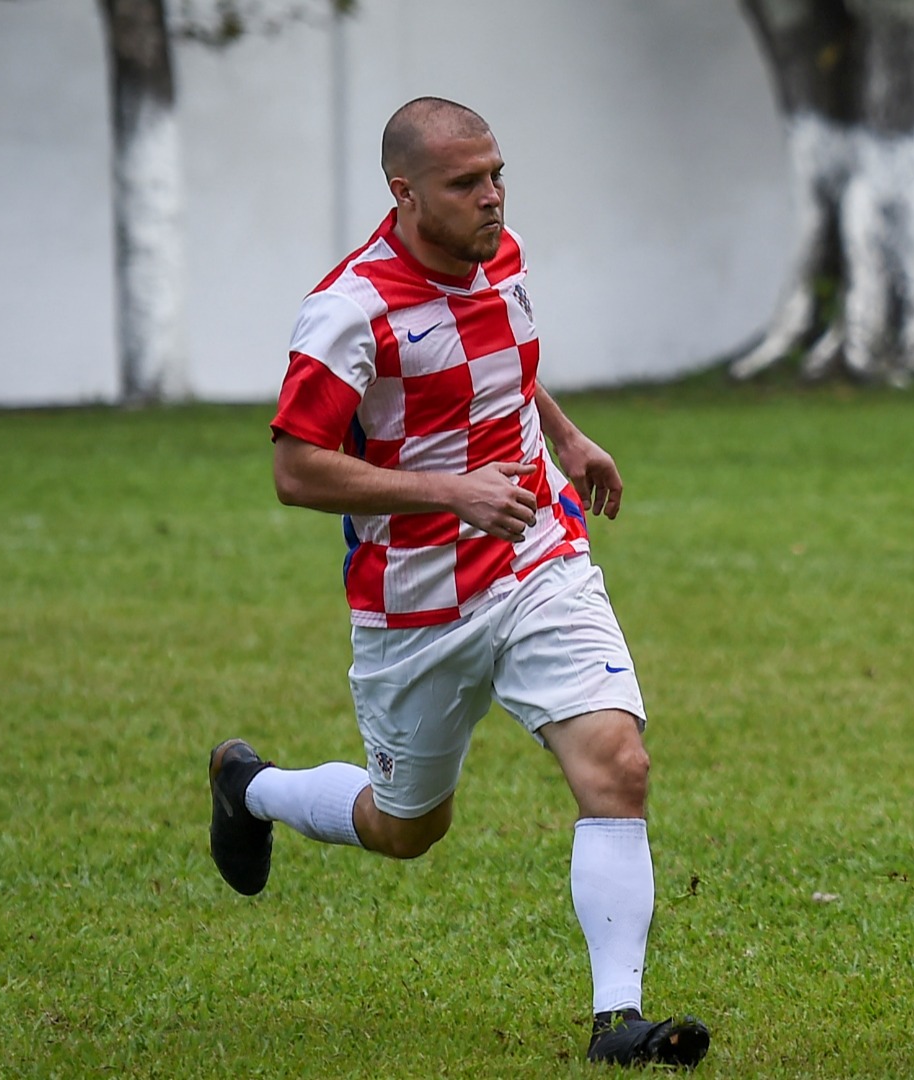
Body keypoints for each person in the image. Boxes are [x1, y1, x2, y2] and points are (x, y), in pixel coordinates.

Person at [205, 97, 709, 1070]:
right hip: (415, 600)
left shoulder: (498, 253)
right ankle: (250, 787)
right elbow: (295, 468)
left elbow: (498, 360)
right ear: (404, 193)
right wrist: (448, 492)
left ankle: (618, 1024)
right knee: (406, 830)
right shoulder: (350, 310)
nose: (493, 199)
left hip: (536, 552)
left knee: (618, 763)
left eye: (498, 175)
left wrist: (563, 436)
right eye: (466, 183)